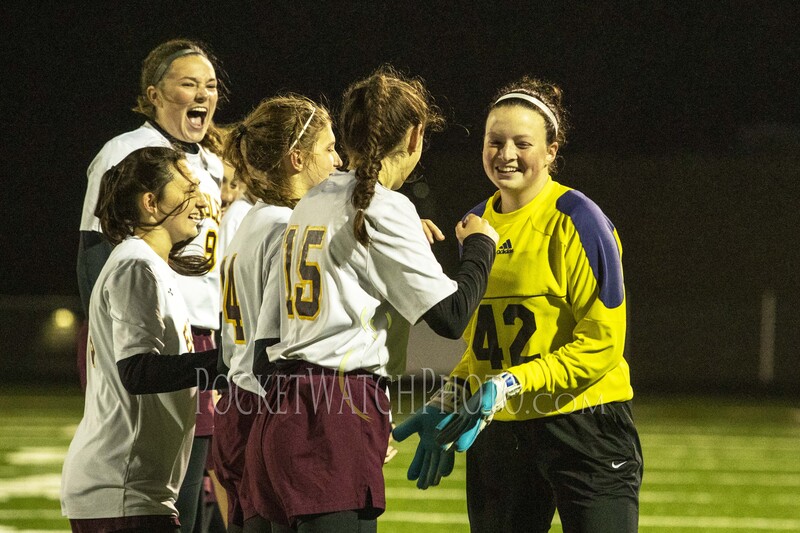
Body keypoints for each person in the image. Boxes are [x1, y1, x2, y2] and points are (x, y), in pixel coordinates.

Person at [245, 65, 499, 533]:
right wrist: (481, 248)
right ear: (415, 136)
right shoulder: (384, 206)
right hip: (336, 411)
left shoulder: (311, 200)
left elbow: (265, 348)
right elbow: (451, 317)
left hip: (279, 414)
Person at [395, 76, 644, 532]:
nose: (505, 153)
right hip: (501, 428)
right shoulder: (476, 223)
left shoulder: (579, 219)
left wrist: (512, 382)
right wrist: (449, 397)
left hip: (583, 422)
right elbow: (483, 348)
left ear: (551, 151)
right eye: (495, 141)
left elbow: (603, 344)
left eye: (522, 143)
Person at [75, 38, 227, 532]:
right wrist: (105, 335)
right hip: (148, 335)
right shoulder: (125, 152)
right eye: (189, 84)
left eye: (210, 85)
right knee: (154, 478)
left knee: (191, 479)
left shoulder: (211, 163)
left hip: (198, 332)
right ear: (154, 94)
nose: (203, 94)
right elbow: (95, 251)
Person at [61, 147, 220, 533]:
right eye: (188, 190)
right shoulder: (136, 265)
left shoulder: (148, 264)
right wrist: (225, 362)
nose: (201, 202)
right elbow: (138, 371)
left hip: (133, 489)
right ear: (151, 203)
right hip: (121, 490)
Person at [211, 94, 342, 533]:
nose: (338, 160)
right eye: (329, 148)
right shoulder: (287, 226)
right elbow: (280, 337)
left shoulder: (250, 219)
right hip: (264, 405)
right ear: (297, 159)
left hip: (237, 401)